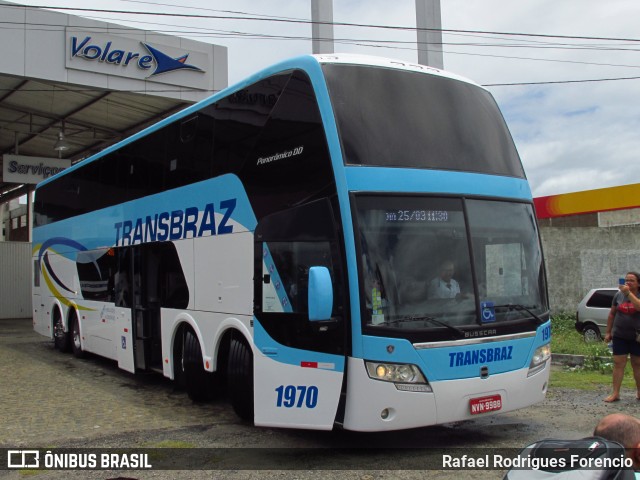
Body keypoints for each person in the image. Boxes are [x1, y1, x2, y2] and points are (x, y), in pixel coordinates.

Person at [604, 272, 640, 403]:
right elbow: (612, 314)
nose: (628, 283)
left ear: (638, 283)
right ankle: (615, 393)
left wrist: (628, 294)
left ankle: (639, 392)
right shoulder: (618, 295)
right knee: (619, 363)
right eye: (626, 280)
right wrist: (608, 332)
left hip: (637, 336)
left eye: (632, 280)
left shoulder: (633, 294)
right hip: (620, 335)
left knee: (637, 364)